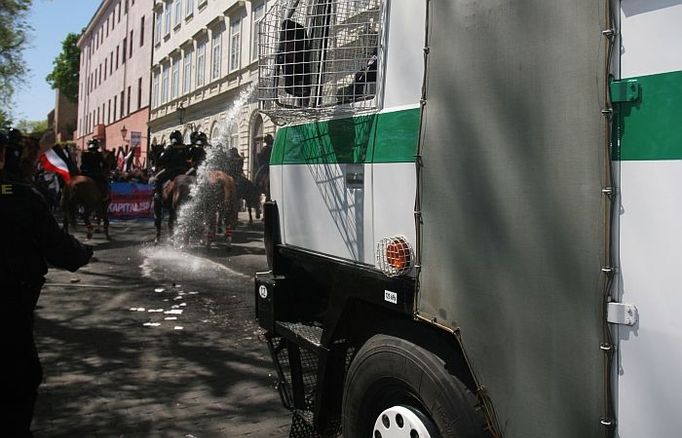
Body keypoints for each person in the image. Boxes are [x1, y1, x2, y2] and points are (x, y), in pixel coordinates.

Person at [0, 128, 93, 436]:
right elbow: (58, 247)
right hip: (11, 305)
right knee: (20, 376)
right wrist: (82, 253)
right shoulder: (23, 198)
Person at [150, 130, 190, 220]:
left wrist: (158, 159)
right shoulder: (186, 148)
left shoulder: (170, 148)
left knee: (158, 181)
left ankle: (158, 199)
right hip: (184, 171)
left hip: (171, 172)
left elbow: (161, 161)